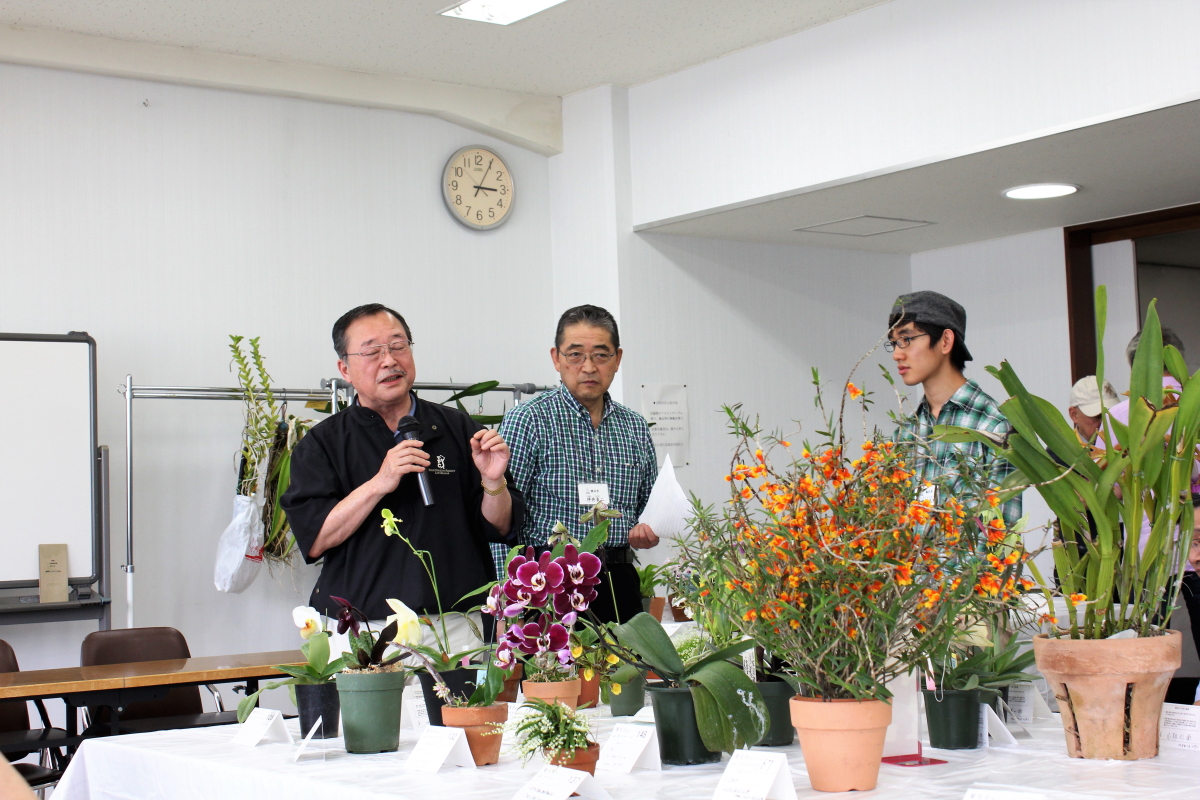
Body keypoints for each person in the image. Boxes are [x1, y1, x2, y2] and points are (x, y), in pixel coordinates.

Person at [282, 303, 523, 653]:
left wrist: (493, 482)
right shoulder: (322, 444)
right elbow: (317, 537)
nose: (389, 360)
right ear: (344, 369)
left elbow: (499, 527)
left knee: (465, 710)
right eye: (372, 351)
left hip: (457, 625)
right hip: (364, 628)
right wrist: (380, 481)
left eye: (398, 346)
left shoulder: (458, 428)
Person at [499, 304, 658, 624]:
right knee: (553, 676)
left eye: (601, 354)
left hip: (618, 582)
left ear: (618, 359)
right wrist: (507, 600)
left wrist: (649, 531)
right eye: (575, 355)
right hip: (549, 583)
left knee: (626, 673)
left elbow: (650, 510)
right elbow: (501, 521)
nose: (588, 367)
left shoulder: (635, 427)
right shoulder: (529, 420)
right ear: (556, 358)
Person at [887, 290, 1021, 529]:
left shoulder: (994, 426)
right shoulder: (905, 433)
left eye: (906, 339)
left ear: (945, 341)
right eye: (894, 343)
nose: (897, 353)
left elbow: (997, 538)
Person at [1066, 375, 1119, 444]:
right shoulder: (1060, 452)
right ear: (1074, 415)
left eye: (1111, 415)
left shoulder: (1129, 446)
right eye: (1097, 416)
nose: (1105, 423)